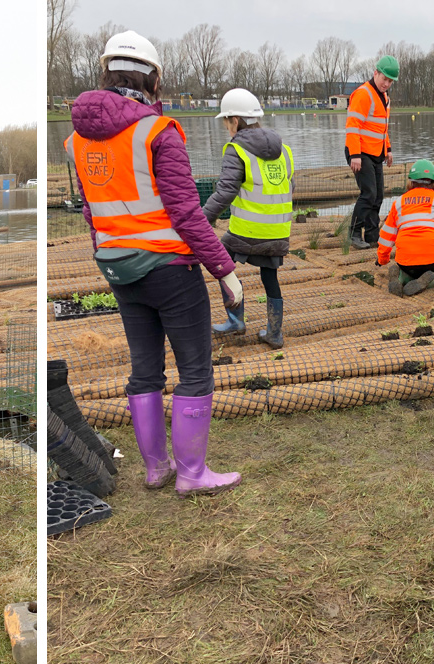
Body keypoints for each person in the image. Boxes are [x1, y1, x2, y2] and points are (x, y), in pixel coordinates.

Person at [65, 30, 244, 498]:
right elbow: (186, 213)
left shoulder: (78, 142)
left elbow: (91, 210)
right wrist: (224, 269)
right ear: (153, 78)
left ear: (106, 72)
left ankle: (155, 468)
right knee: (195, 371)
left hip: (120, 270)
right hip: (170, 270)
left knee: (144, 370)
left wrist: (108, 255)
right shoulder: (156, 132)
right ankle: (192, 473)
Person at [202, 88, 293, 349]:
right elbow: (289, 187)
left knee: (219, 261)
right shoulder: (284, 150)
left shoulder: (236, 149)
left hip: (245, 231)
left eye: (226, 122)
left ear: (234, 121)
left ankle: (235, 320)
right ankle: (274, 334)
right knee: (269, 277)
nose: (226, 127)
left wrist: (201, 220)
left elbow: (225, 192)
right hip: (278, 233)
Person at [376, 159, 434, 296]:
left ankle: (402, 278)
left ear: (411, 182)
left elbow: (386, 236)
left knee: (407, 268)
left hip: (407, 262)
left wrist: (382, 259)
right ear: (433, 182)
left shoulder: (398, 203)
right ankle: (429, 280)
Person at [346, 55, 398, 250]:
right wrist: (355, 155)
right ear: (375, 73)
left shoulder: (385, 98)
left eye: (390, 81)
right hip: (360, 152)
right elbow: (352, 126)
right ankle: (354, 233)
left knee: (377, 196)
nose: (386, 84)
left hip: (376, 152)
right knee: (368, 194)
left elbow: (381, 128)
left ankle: (371, 235)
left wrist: (389, 150)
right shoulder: (363, 94)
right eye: (384, 79)